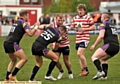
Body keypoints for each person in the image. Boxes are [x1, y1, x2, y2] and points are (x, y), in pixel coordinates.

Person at [3, 10, 39, 82]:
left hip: (6, 42)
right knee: (24, 59)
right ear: (25, 15)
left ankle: (7, 78)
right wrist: (36, 26)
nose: (28, 17)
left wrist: (33, 27)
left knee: (13, 60)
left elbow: (23, 31)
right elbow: (30, 34)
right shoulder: (24, 23)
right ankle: (12, 75)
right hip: (13, 43)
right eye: (27, 16)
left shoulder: (16, 22)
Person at [90, 12, 119, 80]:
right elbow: (117, 36)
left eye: (101, 17)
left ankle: (100, 71)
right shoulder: (113, 25)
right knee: (104, 59)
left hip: (109, 45)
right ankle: (104, 76)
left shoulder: (103, 24)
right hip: (117, 46)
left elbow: (101, 36)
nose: (101, 18)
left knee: (94, 57)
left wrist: (94, 45)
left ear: (104, 18)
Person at [71, 4, 95, 76]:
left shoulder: (88, 18)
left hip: (85, 38)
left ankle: (86, 69)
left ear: (84, 10)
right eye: (79, 10)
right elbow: (73, 26)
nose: (80, 11)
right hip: (78, 38)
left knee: (79, 53)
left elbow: (93, 27)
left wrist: (84, 29)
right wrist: (72, 27)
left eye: (81, 10)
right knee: (81, 55)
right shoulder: (75, 18)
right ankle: (83, 71)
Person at [50, 13, 73, 79]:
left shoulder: (65, 26)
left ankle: (70, 72)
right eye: (59, 20)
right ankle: (61, 71)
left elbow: (62, 37)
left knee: (66, 61)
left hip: (65, 44)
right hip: (57, 45)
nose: (60, 22)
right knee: (55, 59)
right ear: (55, 20)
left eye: (61, 20)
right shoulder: (52, 26)